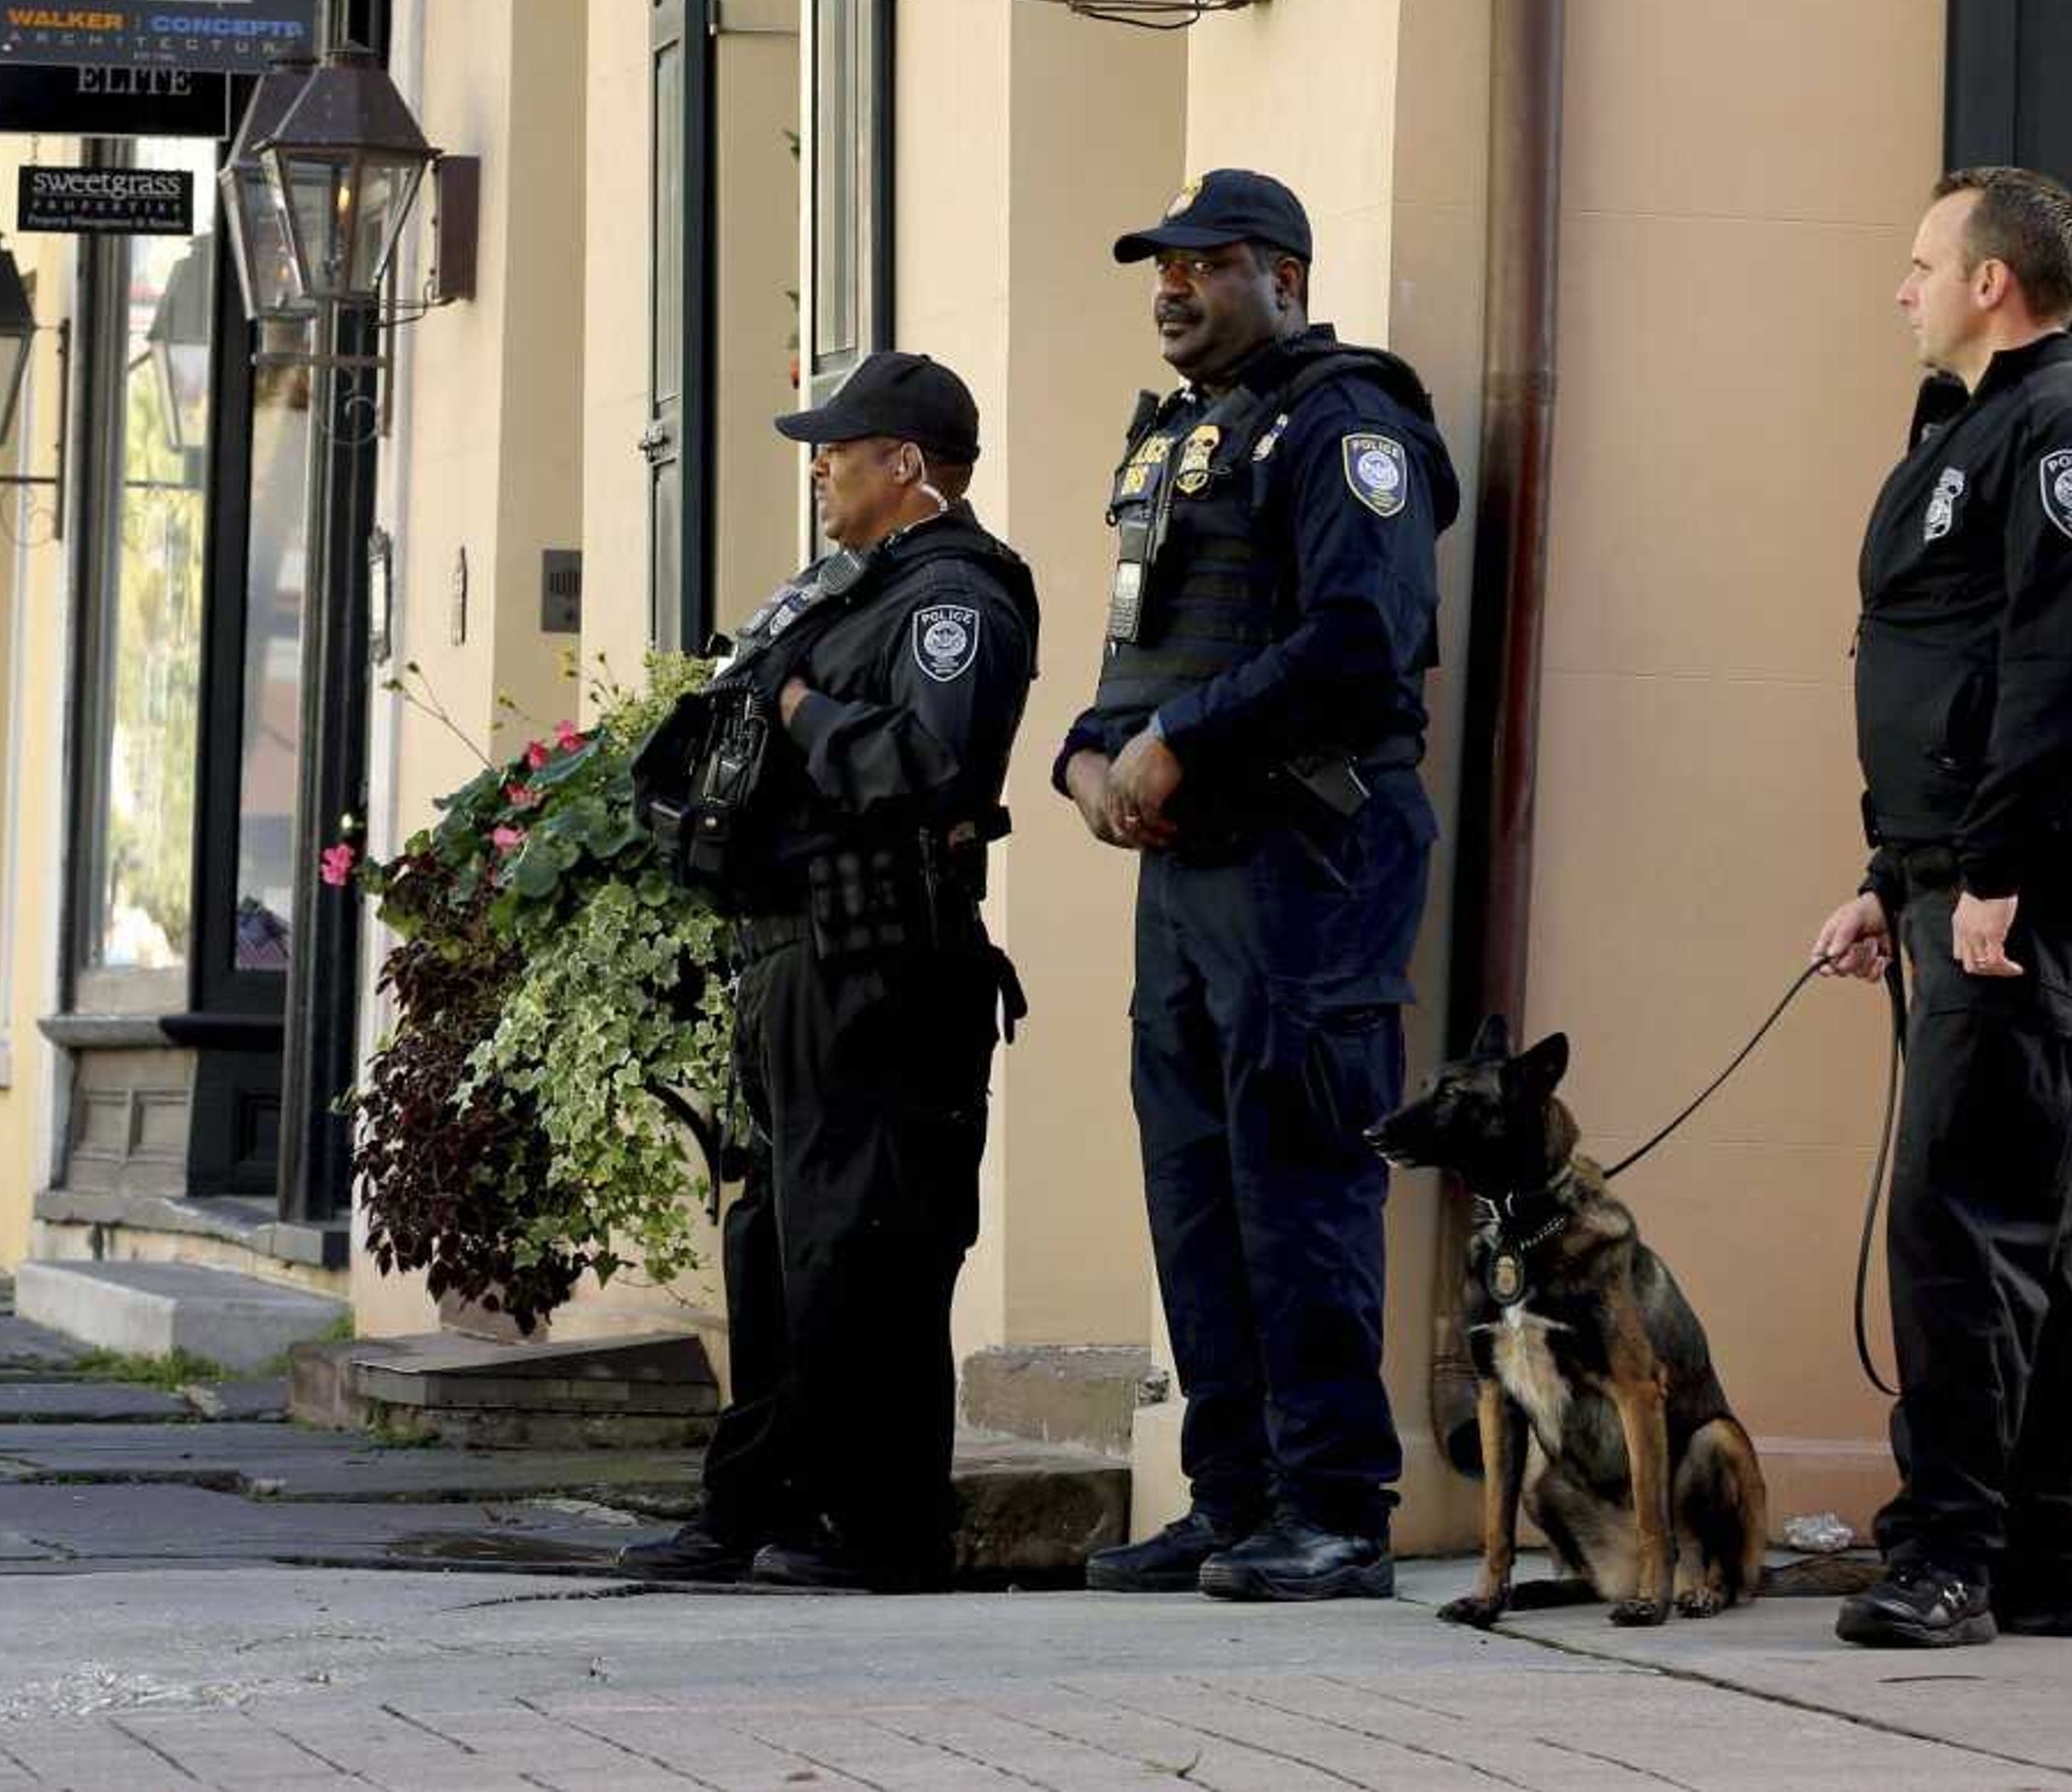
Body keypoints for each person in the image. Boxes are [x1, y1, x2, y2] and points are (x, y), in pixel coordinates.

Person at [1058, 169, 1458, 1603]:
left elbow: (1365, 636)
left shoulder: (1350, 425)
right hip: (1189, 870)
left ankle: (1335, 1509)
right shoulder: (1182, 433)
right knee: (1196, 1189)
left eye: (1206, 264)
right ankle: (1231, 1502)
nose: (1172, 287)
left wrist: (1184, 739)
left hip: (1311, 858)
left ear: (1283, 274)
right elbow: (1142, 653)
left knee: (1298, 1182)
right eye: (1160, 265)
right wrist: (1090, 757)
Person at [1809, 166, 2072, 1652]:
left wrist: (1996, 874)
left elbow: (2064, 665)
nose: (1901, 287)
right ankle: (2043, 1557)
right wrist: (1893, 880)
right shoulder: (1975, 423)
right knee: (2029, 1224)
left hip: (2028, 883)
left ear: (1991, 284)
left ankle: (1949, 1555)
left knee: (1964, 1223)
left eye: (1920, 263)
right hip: (1965, 873)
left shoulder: (2070, 425)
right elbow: (1945, 671)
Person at [617, 351, 1039, 1593]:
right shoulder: (852, 588)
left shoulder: (957, 596)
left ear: (906, 465)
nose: (818, 467)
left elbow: (930, 763)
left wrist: (798, 704)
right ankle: (801, 1507)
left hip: (881, 961)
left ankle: (833, 1516)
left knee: (860, 1248)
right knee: (777, 1244)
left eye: (838, 448)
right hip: (795, 958)